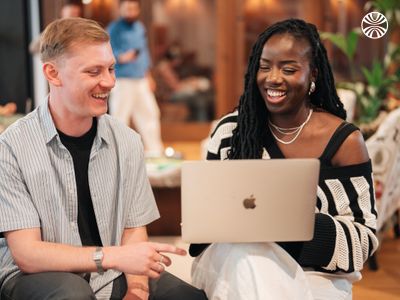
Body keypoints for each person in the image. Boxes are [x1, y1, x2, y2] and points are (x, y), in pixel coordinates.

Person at [0, 18, 207, 300]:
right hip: (34, 275)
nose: (109, 82)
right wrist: (112, 257)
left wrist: (137, 290)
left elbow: (134, 230)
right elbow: (28, 254)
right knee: (72, 294)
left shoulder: (128, 141)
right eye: (94, 71)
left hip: (112, 269)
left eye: (111, 68)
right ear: (53, 73)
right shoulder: (11, 147)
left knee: (187, 297)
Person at [189, 18, 379, 300]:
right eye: (264, 67)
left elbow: (362, 242)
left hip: (316, 274)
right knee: (248, 255)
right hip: (228, 261)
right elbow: (204, 229)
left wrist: (292, 226)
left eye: (288, 69)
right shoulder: (231, 131)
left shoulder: (344, 142)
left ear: (313, 74)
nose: (273, 78)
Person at [108, 0, 163, 157]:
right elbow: (107, 52)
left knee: (150, 113)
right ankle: (118, 155)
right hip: (122, 79)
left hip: (141, 79)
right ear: (120, 9)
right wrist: (121, 57)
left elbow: (144, 52)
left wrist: (149, 76)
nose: (130, 12)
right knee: (120, 118)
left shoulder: (140, 27)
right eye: (127, 9)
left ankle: (155, 152)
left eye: (133, 9)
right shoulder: (114, 28)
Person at [154, 47, 214, 121]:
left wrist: (189, 82)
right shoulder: (164, 68)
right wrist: (191, 84)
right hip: (168, 96)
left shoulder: (167, 67)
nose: (180, 61)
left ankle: (196, 121)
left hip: (171, 93)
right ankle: (201, 124)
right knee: (198, 99)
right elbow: (175, 87)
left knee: (197, 97)